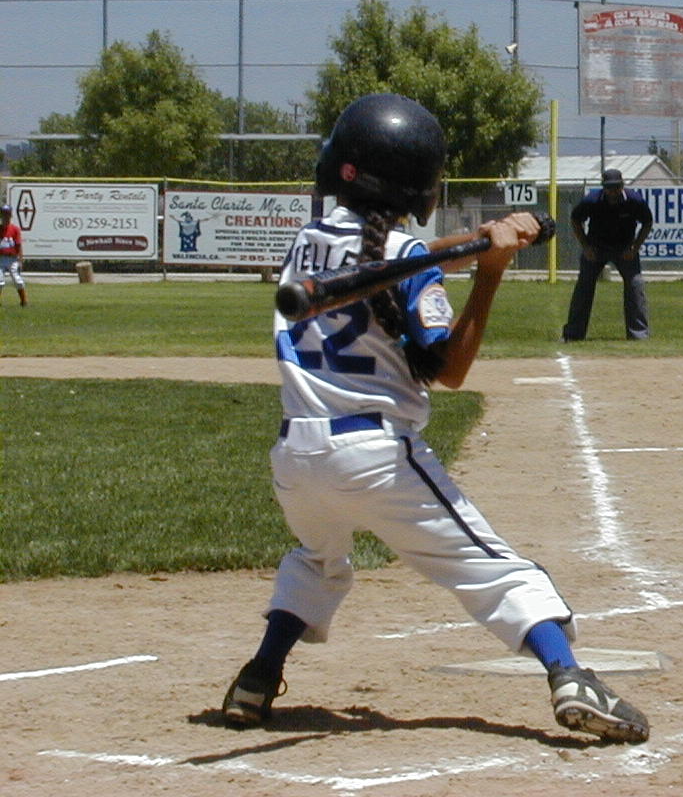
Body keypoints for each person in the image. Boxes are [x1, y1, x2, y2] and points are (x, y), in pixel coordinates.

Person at [220, 94, 649, 744]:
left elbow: (402, 258)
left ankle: (258, 675)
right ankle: (569, 677)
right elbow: (449, 369)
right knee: (496, 569)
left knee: (316, 558)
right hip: (374, 456)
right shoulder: (403, 259)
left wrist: (485, 239)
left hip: (295, 460)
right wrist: (490, 270)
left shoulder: (307, 244)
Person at [561, 168, 653, 342]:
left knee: (635, 284)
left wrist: (635, 248)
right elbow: (575, 220)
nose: (613, 192)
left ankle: (639, 335)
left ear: (622, 186)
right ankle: (573, 334)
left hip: (624, 249)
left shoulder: (634, 200)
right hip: (596, 248)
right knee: (584, 286)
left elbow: (647, 222)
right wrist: (586, 247)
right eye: (609, 188)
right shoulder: (592, 200)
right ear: (603, 187)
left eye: (616, 187)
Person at [0, 203, 28, 307]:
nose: (5, 216)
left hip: (12, 259)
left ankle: (24, 301)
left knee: (17, 280)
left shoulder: (15, 229)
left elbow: (18, 245)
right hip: (1, 258)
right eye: (3, 214)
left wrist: (20, 259)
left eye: (7, 214)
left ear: (11, 215)